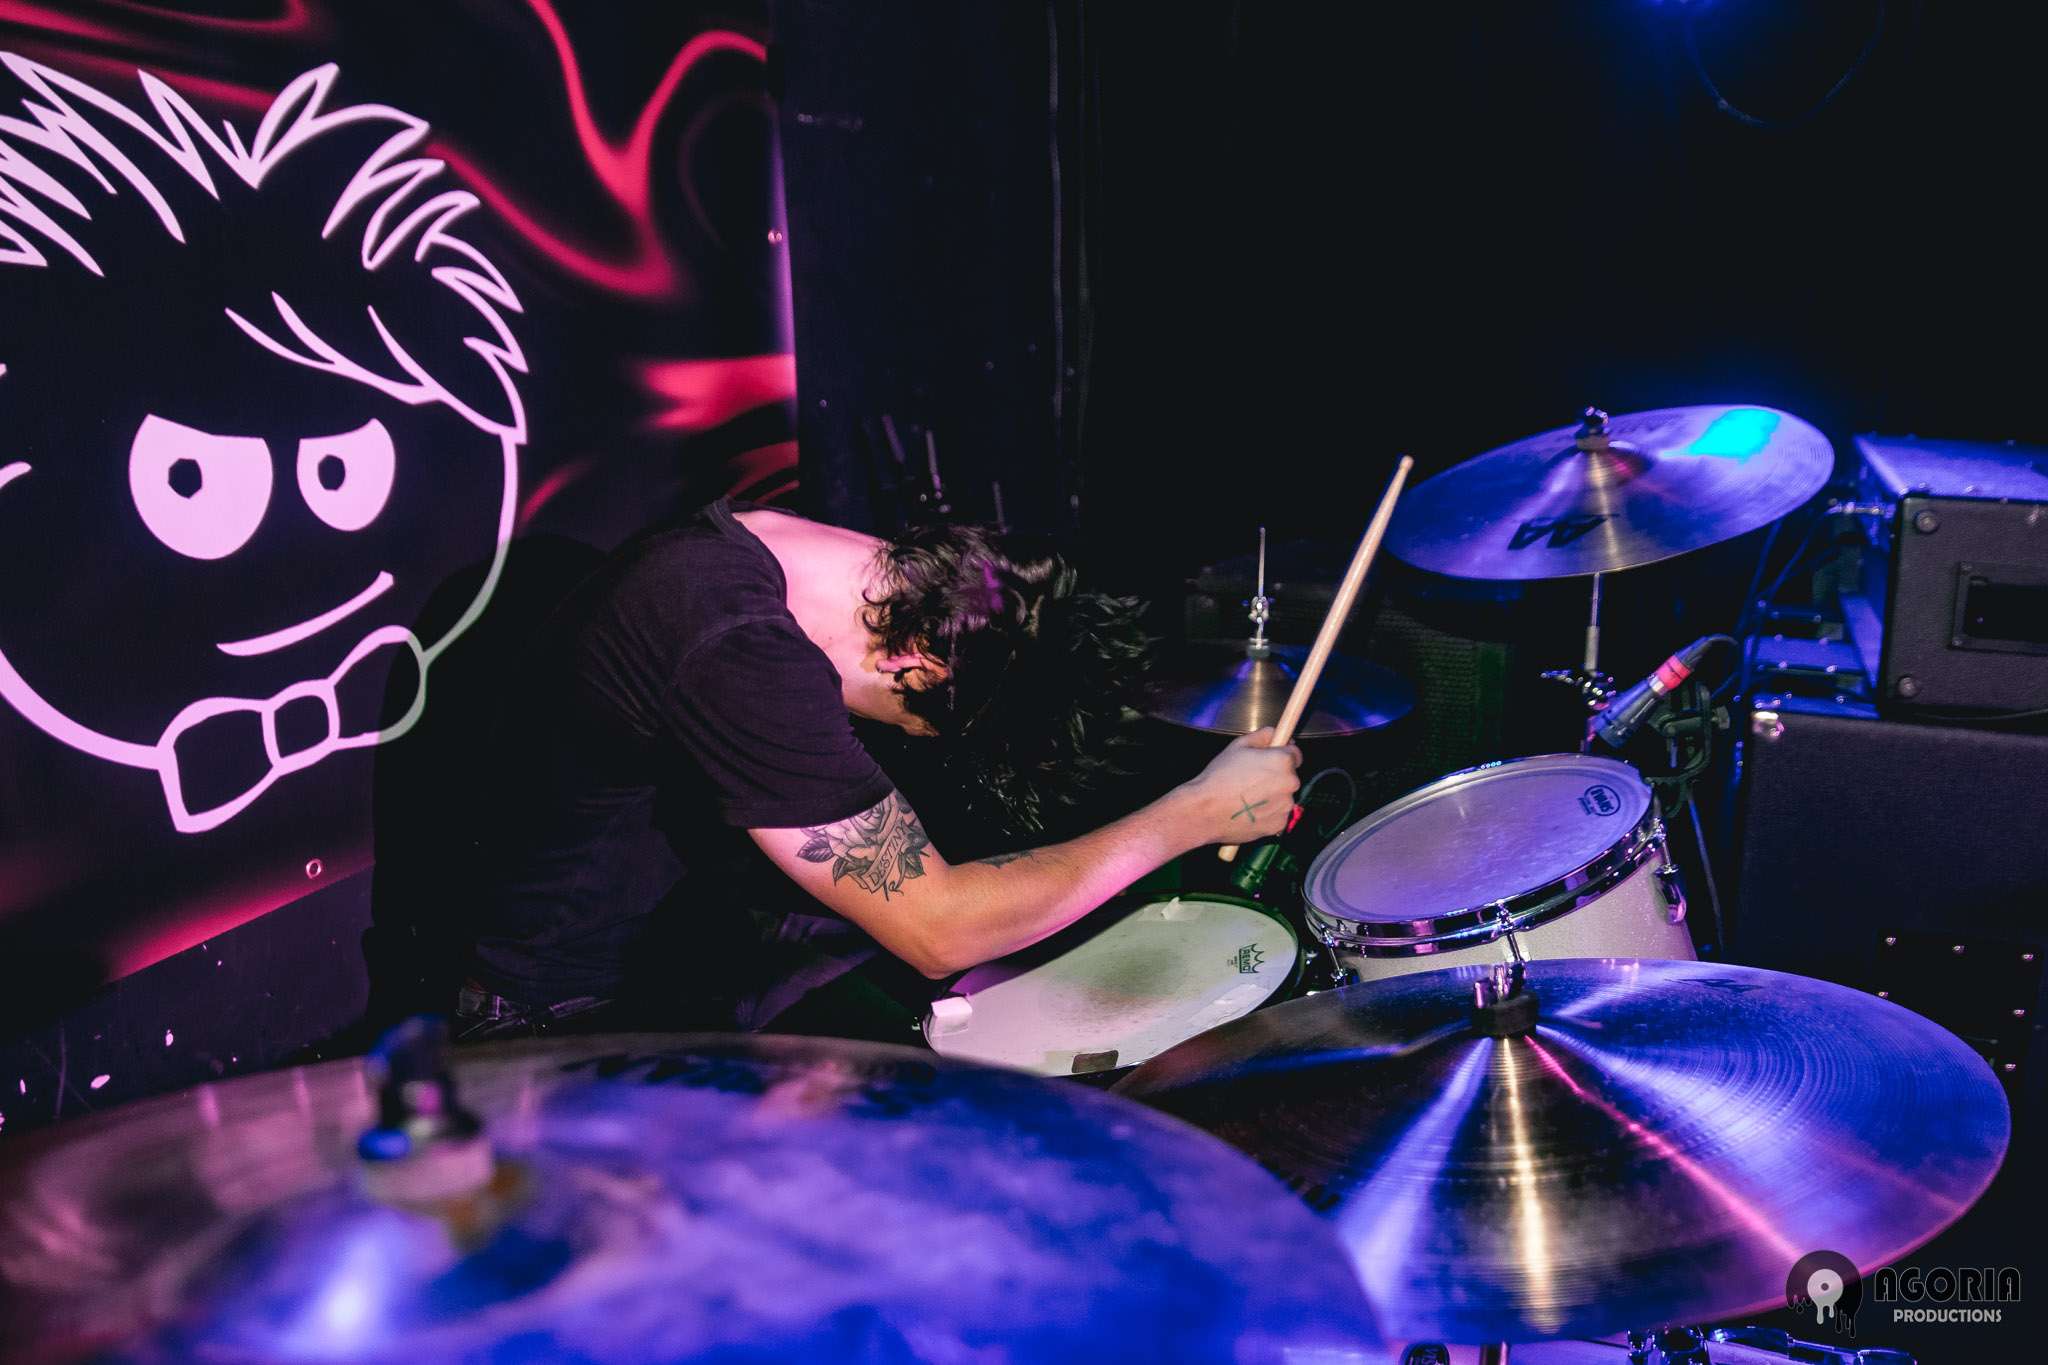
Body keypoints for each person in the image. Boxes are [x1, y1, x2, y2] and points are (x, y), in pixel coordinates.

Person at [456, 497, 1301, 1040]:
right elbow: (939, 929)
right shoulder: (743, 648)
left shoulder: (776, 548)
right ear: (921, 669)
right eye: (924, 724)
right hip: (562, 1025)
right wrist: (1194, 812)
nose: (906, 737)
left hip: (675, 957)